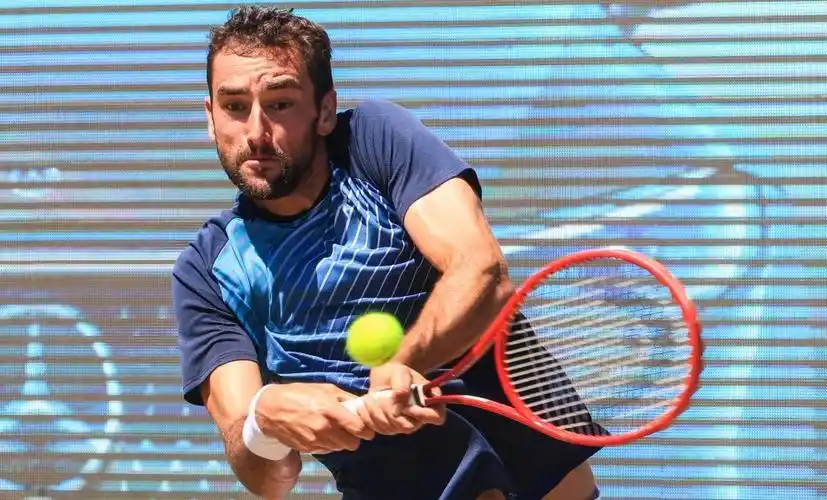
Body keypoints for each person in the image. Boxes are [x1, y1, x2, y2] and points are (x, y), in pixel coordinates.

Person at [172, 5, 603, 499]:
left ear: (325, 111)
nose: (256, 132)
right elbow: (266, 478)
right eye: (233, 106)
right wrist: (263, 421)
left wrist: (405, 359)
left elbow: (482, 272)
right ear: (210, 117)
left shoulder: (373, 140)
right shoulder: (208, 270)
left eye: (281, 103)